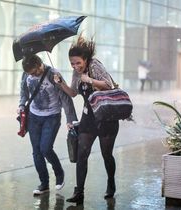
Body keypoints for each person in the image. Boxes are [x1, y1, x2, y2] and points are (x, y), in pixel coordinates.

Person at [55, 34, 119, 204]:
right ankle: (79, 192)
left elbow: (108, 85)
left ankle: (111, 182)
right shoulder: (76, 72)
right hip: (88, 118)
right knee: (81, 154)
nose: (76, 66)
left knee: (107, 154)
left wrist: (89, 79)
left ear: (85, 59)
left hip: (106, 118)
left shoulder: (95, 65)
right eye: (72, 64)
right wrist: (61, 83)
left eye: (78, 63)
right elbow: (74, 93)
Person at [18, 54, 77, 196]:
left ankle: (59, 172)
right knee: (36, 151)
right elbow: (24, 92)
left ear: (39, 64)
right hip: (33, 117)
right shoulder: (26, 74)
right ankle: (44, 184)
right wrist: (21, 105)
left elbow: (65, 98)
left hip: (52, 117)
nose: (32, 75)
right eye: (29, 73)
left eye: (34, 72)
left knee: (45, 148)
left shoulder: (53, 74)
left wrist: (70, 120)